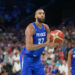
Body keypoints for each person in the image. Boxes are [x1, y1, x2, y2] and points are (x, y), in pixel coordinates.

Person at [20, 9, 58, 75]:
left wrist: (57, 42)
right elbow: (29, 47)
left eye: (43, 13)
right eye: (40, 13)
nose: (42, 15)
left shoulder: (46, 27)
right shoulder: (30, 28)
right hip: (27, 57)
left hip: (37, 59)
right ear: (35, 16)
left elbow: (49, 45)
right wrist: (44, 44)